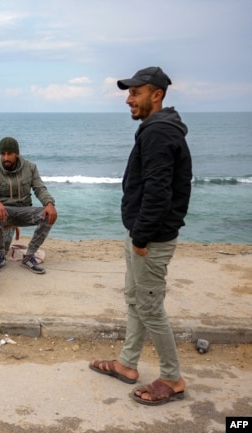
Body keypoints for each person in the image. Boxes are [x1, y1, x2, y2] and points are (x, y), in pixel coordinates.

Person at [89, 66, 192, 406]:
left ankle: (172, 378)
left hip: (151, 239)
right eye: (128, 93)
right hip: (142, 234)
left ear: (156, 95)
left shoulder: (159, 133)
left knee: (149, 307)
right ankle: (127, 364)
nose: (129, 100)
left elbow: (158, 193)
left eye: (135, 93)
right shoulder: (155, 129)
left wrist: (141, 239)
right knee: (135, 299)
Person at [0, 137, 57, 274]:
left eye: (9, 153)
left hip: (24, 211)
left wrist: (49, 203)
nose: (6, 158)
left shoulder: (30, 168)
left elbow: (40, 189)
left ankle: (29, 256)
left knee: (49, 214)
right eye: (3, 154)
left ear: (17, 153)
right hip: (4, 213)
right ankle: (0, 254)